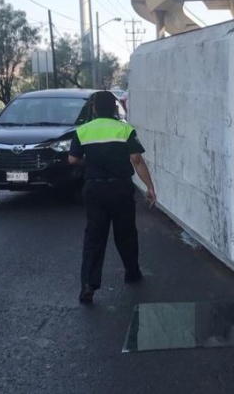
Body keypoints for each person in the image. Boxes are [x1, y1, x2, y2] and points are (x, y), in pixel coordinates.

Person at [68, 90, 156, 305]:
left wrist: (90, 163)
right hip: (120, 188)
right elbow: (136, 159)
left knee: (94, 237)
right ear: (115, 108)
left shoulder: (83, 131)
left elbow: (72, 160)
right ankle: (132, 273)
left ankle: (89, 284)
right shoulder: (124, 129)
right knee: (125, 233)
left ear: (94, 108)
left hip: (94, 190)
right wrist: (149, 187)